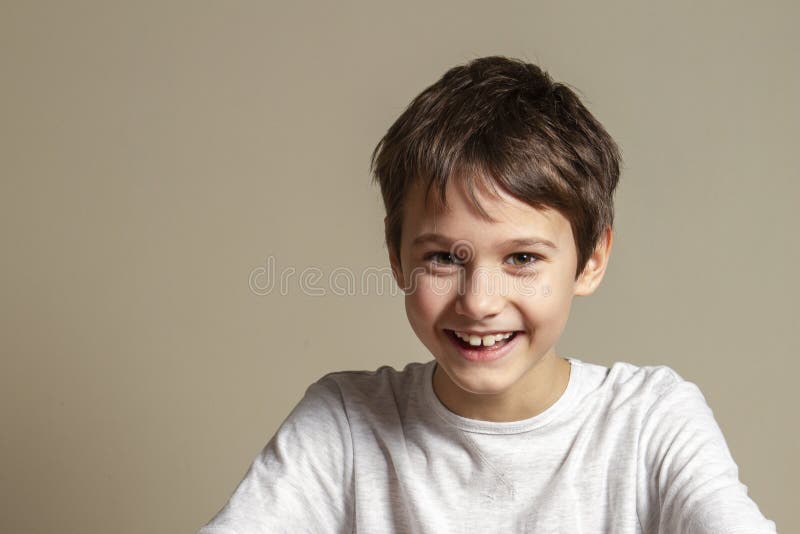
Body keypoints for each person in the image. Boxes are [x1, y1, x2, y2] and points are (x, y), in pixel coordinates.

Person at [198, 56, 777, 533]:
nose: (478, 302)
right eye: (444, 258)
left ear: (591, 260)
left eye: (522, 258)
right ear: (397, 258)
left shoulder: (651, 422)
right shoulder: (345, 423)